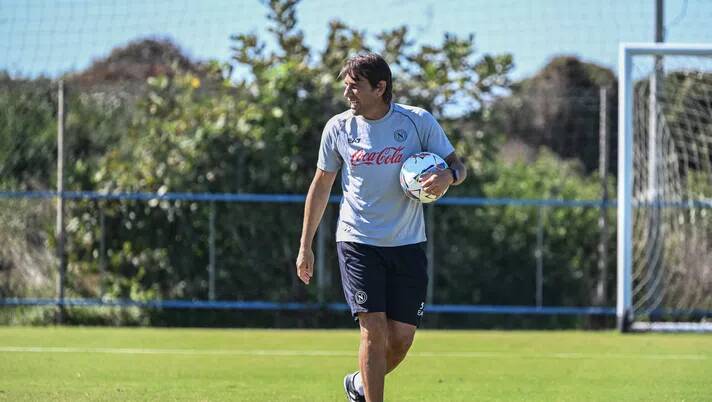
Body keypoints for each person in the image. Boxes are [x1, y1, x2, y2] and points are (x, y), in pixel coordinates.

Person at [295, 52, 467, 402]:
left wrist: (448, 177)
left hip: (407, 244)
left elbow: (458, 166)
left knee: (400, 341)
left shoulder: (417, 122)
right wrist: (305, 245)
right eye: (346, 86)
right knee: (372, 332)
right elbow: (322, 185)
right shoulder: (339, 128)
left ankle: (358, 385)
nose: (347, 94)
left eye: (354, 87)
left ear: (380, 87)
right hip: (358, 242)